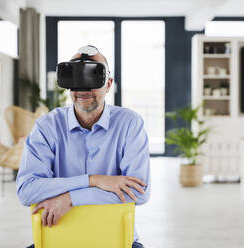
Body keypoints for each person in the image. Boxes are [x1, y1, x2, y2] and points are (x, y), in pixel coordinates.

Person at [16, 46, 151, 248]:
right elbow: (27, 190)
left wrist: (71, 198)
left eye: (93, 77)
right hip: (58, 239)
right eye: (76, 78)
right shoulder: (47, 127)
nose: (83, 89)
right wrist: (94, 181)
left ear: (109, 84)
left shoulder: (130, 124)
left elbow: (139, 192)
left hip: (116, 239)